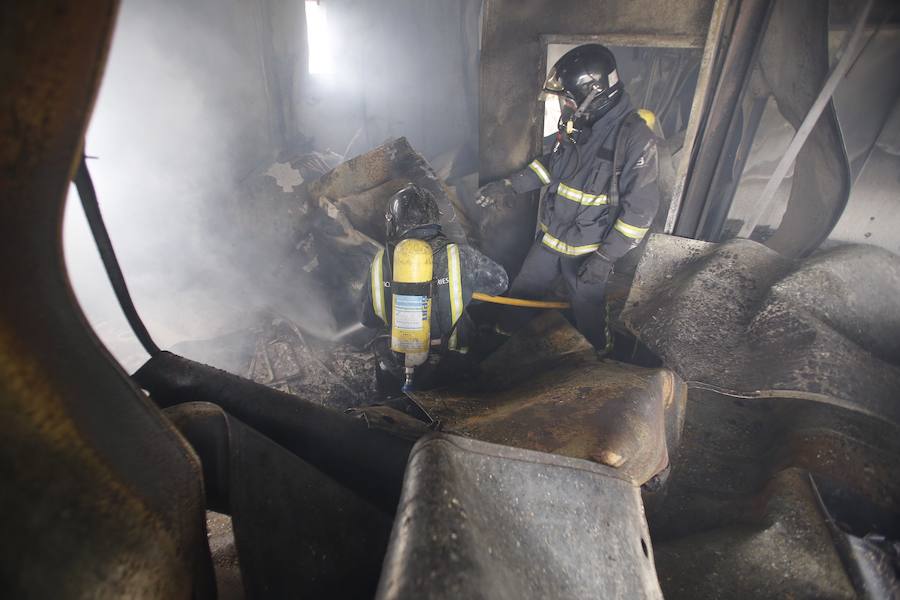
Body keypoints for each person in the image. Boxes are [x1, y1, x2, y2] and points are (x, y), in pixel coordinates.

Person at [475, 44, 661, 353]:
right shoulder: (579, 125)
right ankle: (497, 347)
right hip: (551, 239)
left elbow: (640, 212)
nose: (566, 104)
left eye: (569, 97)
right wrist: (510, 185)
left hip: (588, 251)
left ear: (594, 92)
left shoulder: (635, 138)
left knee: (588, 316)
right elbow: (553, 167)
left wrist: (604, 259)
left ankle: (601, 364)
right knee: (522, 294)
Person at [360, 183, 508, 395]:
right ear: (434, 218)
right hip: (452, 360)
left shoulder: (378, 262)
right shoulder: (461, 256)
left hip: (396, 364)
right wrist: (463, 290)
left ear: (393, 221)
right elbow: (500, 283)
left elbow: (367, 319)